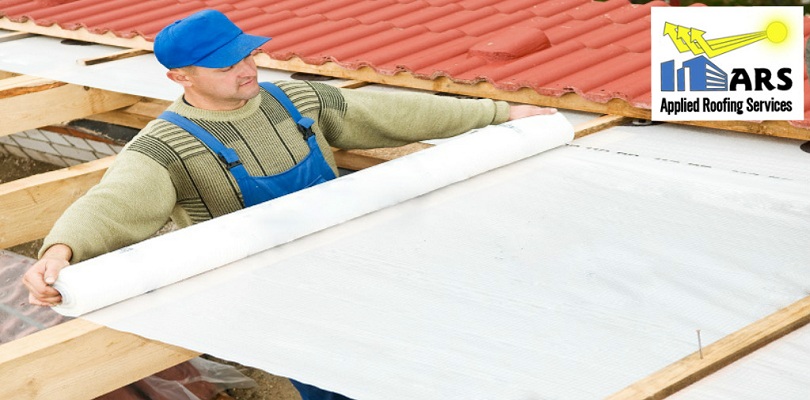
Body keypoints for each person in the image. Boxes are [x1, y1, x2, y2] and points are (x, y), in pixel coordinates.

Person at [22, 8, 555, 400]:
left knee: (407, 365)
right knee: (334, 387)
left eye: (247, 54)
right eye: (226, 65)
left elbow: (396, 113)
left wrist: (498, 114)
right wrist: (60, 252)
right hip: (278, 303)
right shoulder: (165, 148)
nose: (247, 68)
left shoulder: (298, 100)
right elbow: (112, 203)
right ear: (180, 77)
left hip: (358, 268)